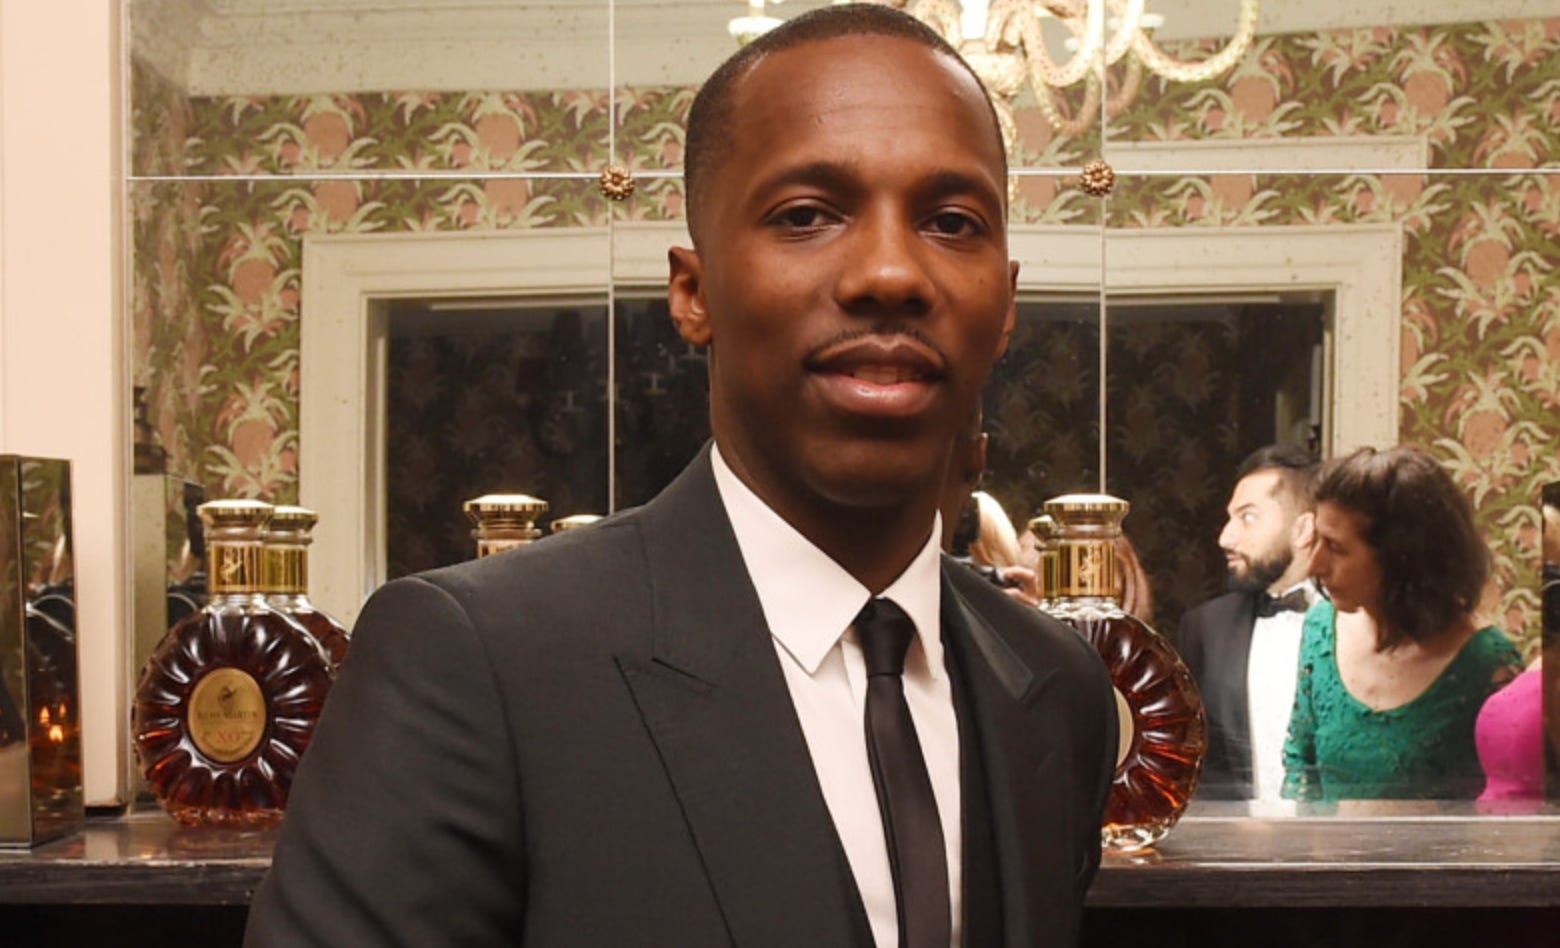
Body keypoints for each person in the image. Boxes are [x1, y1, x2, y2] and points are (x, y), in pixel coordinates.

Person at [245, 7, 1117, 948]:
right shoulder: (474, 664)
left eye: (950, 222)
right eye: (807, 216)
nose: (890, 272)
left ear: (1007, 304)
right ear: (694, 293)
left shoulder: (1058, 687)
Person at [1282, 446, 1523, 801]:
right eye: (1316, 540)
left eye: (1336, 548)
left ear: (1400, 559)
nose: (1315, 565)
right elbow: (1300, 768)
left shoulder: (1487, 663)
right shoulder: (1321, 629)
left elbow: (1506, 809)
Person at [1177, 445, 1320, 800]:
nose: (1225, 537)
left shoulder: (1355, 621)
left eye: (1248, 517)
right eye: (1230, 518)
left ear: (1303, 529)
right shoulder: (1205, 629)